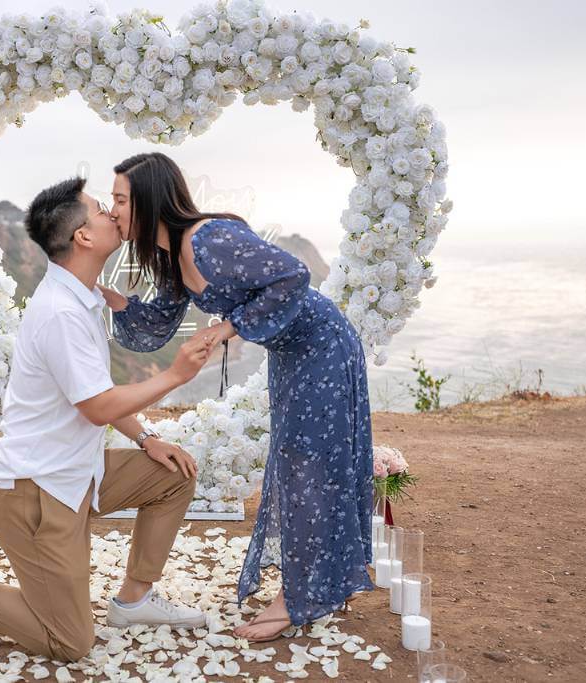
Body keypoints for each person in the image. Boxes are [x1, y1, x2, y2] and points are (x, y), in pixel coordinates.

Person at [0, 176, 214, 662]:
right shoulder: (61, 313)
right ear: (83, 238)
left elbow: (93, 393)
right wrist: (176, 374)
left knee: (172, 474)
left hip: (78, 475)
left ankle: (133, 600)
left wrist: (147, 438)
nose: (114, 214)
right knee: (70, 643)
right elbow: (96, 408)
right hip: (36, 495)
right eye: (100, 209)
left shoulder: (85, 298)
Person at [101, 152, 375, 643]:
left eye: (120, 199)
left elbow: (293, 276)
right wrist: (105, 295)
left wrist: (227, 328)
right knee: (301, 463)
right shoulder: (169, 256)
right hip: (292, 352)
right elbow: (153, 328)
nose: (113, 208)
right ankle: (320, 585)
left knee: (306, 465)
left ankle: (298, 598)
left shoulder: (210, 239)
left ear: (146, 200)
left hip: (323, 345)